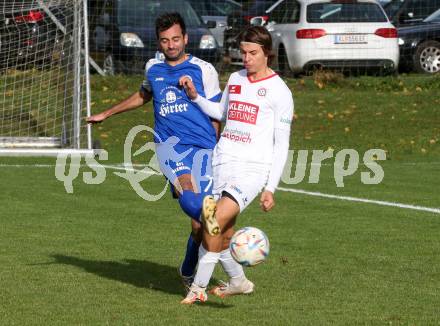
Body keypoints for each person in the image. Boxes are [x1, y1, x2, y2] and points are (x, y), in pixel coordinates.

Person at [87, 12, 222, 291]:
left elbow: (217, 113)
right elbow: (143, 95)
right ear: (158, 43)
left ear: (185, 38)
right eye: (164, 41)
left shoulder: (204, 70)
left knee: (200, 225)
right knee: (191, 195)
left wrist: (218, 149)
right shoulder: (154, 68)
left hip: (204, 148)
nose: (171, 45)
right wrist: (107, 113)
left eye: (175, 39)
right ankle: (224, 247)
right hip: (170, 147)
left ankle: (187, 269)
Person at [179, 26, 294, 304]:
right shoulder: (235, 78)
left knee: (212, 221)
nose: (247, 58)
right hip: (222, 163)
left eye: (253, 53)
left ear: (267, 53)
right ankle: (239, 281)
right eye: (243, 52)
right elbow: (221, 112)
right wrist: (195, 97)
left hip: (252, 170)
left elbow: (281, 144)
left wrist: (271, 187)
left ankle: (198, 287)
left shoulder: (280, 92)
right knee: (224, 233)